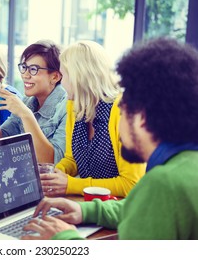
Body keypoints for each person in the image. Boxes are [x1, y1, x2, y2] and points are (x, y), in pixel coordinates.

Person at [21, 37, 198, 240]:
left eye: (124, 109)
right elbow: (136, 208)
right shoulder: (184, 170)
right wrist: (87, 211)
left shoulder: (163, 185)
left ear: (140, 117)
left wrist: (65, 238)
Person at [40, 40, 145, 198]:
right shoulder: (74, 104)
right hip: (89, 206)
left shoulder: (123, 110)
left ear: (79, 77)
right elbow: (72, 159)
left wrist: (71, 185)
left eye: (64, 75)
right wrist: (54, 175)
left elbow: (131, 184)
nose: (61, 83)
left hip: (120, 211)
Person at [0, 40, 67, 164]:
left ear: (55, 77)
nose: (25, 75)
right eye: (24, 67)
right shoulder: (28, 101)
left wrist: (26, 115)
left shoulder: (67, 107)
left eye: (34, 69)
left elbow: (52, 162)